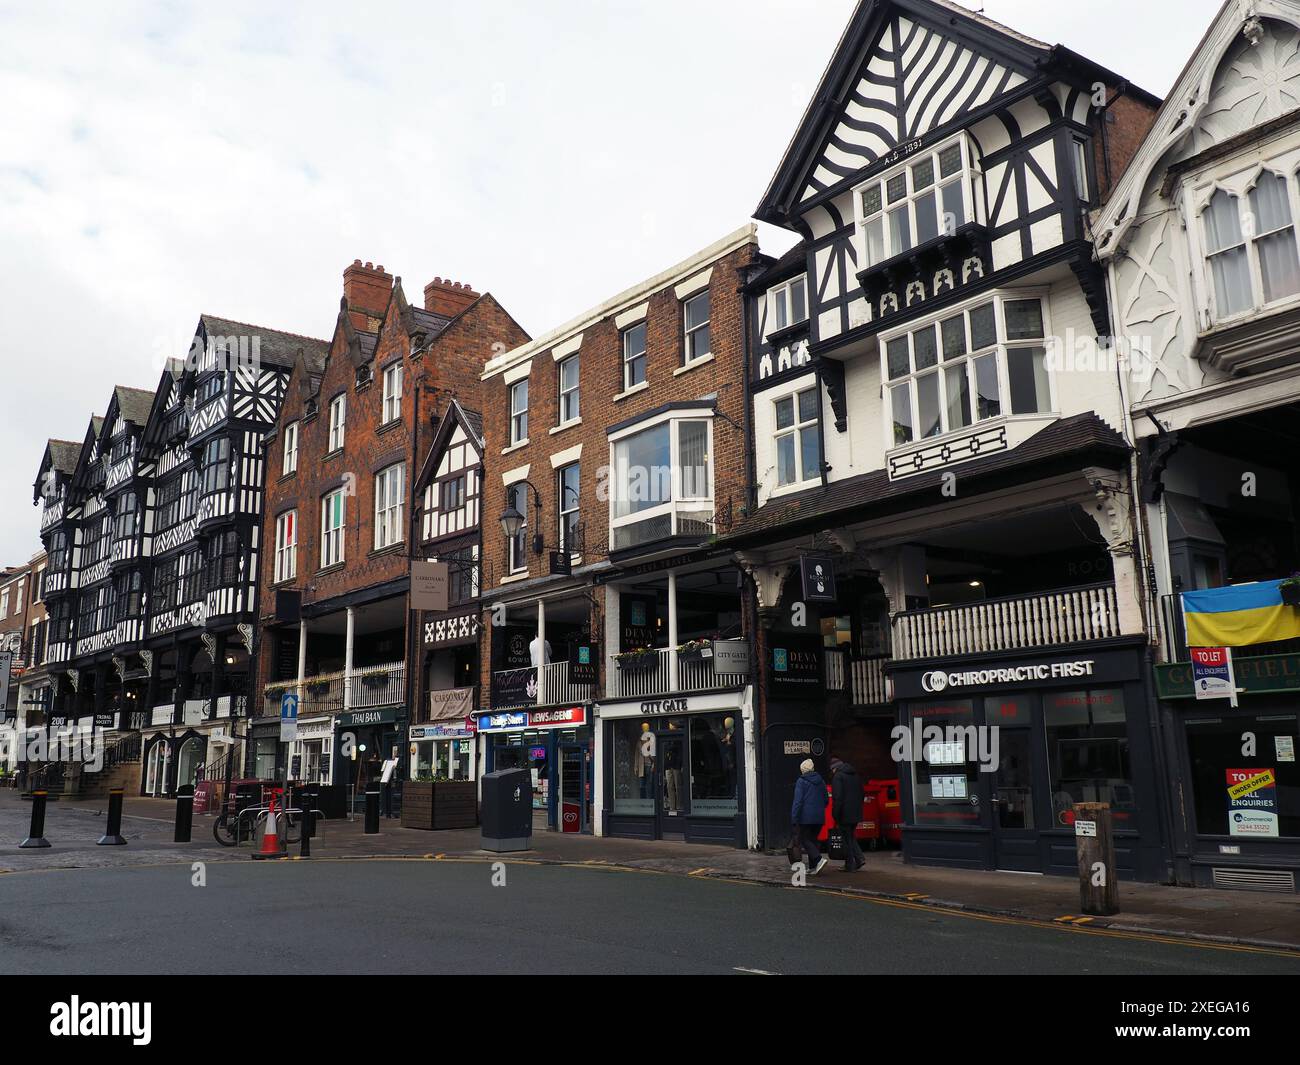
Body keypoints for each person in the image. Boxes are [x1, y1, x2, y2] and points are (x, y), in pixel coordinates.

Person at [791, 758, 829, 874]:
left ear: (803, 770)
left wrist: (794, 817)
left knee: (804, 839)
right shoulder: (821, 781)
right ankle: (813, 867)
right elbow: (826, 800)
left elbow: (798, 801)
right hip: (819, 817)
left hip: (806, 817)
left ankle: (818, 859)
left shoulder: (801, 781)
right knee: (813, 840)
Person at [830, 757, 865, 872]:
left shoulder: (838, 777)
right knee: (850, 837)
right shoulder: (855, 775)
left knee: (846, 839)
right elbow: (862, 793)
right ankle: (859, 859)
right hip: (856, 812)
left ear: (834, 768)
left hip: (844, 813)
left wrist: (835, 814)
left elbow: (838, 798)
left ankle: (850, 864)